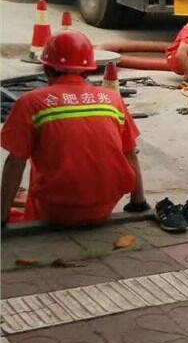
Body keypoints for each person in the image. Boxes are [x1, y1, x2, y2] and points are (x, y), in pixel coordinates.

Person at [0, 31, 147, 227]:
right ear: (88, 70)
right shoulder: (113, 99)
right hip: (106, 203)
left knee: (26, 200)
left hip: (56, 208)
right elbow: (130, 153)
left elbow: (15, 163)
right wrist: (139, 203)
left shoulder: (31, 103)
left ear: (46, 68)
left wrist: (2, 218)